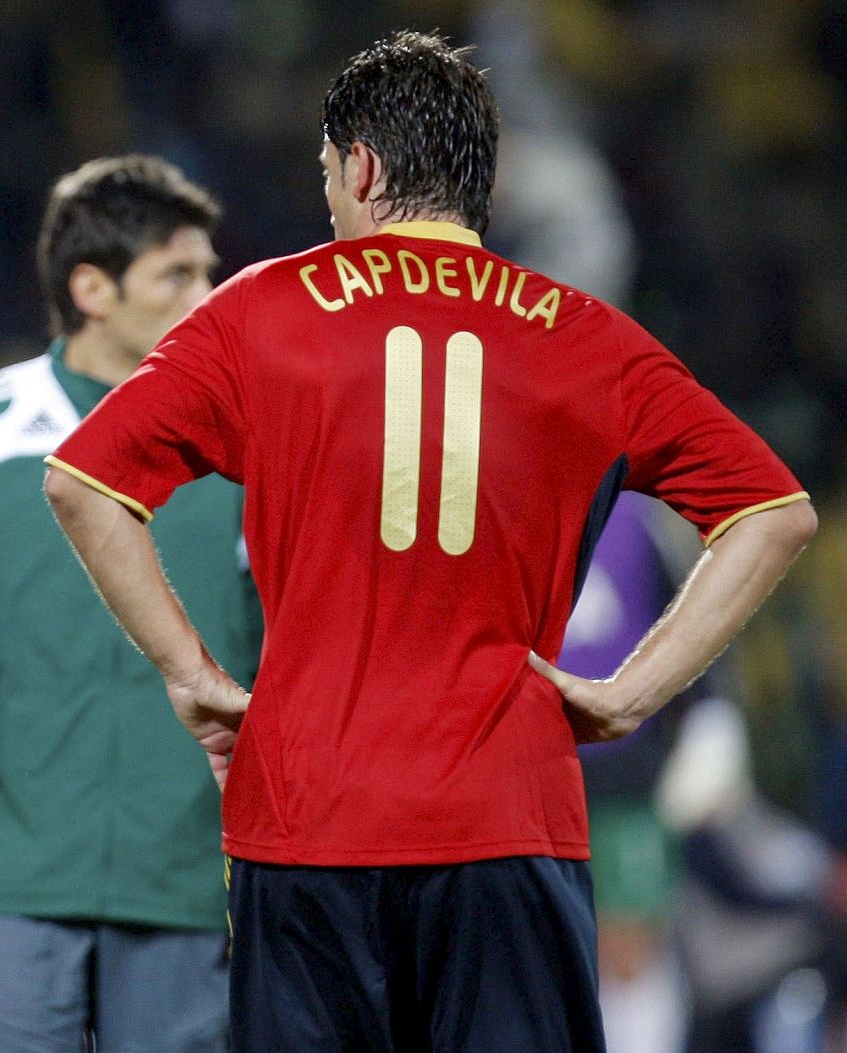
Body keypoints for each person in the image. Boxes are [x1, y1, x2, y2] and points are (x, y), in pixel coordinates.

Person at [44, 30, 816, 1053]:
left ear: (360, 167)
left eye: (328, 173)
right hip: (508, 814)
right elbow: (775, 513)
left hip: (307, 812)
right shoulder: (583, 335)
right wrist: (633, 692)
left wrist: (187, 671)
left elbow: (82, 481)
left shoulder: (260, 312)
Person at [0, 155, 261, 1052]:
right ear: (92, 288)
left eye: (212, 270)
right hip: (6, 887)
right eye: (179, 274)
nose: (211, 294)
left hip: (190, 886)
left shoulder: (249, 452)